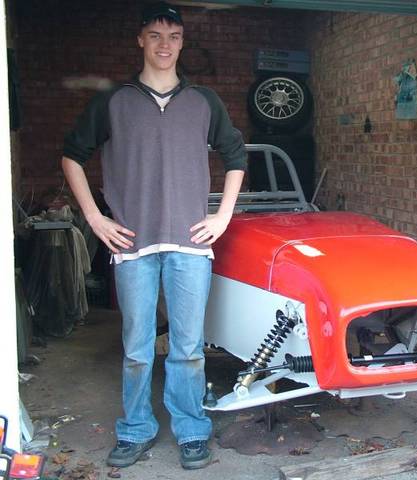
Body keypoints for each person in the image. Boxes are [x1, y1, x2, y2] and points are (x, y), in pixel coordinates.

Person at [61, 1, 246, 470]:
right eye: (156, 35)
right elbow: (72, 156)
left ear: (182, 43)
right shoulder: (113, 101)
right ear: (140, 40)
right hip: (133, 245)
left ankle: (190, 431)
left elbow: (236, 156)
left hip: (190, 245)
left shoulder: (204, 101)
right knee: (137, 349)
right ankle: (136, 429)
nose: (165, 45)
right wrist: (96, 219)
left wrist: (222, 217)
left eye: (174, 37)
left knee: (187, 348)